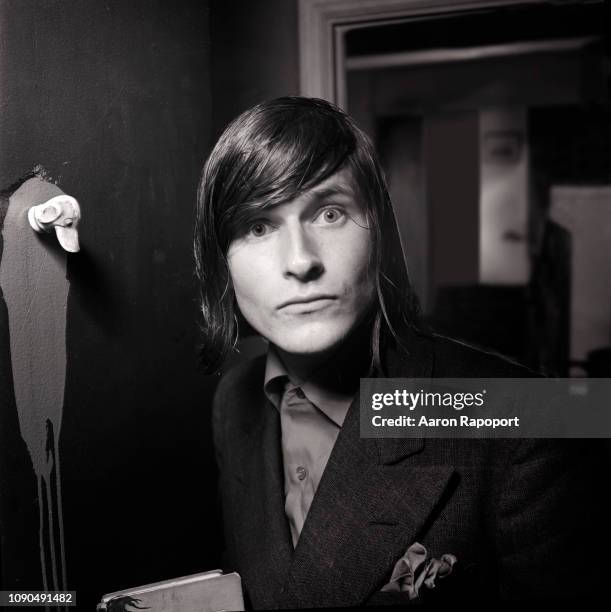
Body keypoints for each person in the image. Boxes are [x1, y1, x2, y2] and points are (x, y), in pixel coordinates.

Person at [194, 97, 604, 607]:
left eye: (329, 212)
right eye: (258, 226)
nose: (300, 261)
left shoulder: (531, 417)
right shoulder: (233, 400)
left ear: (379, 231)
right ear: (222, 264)